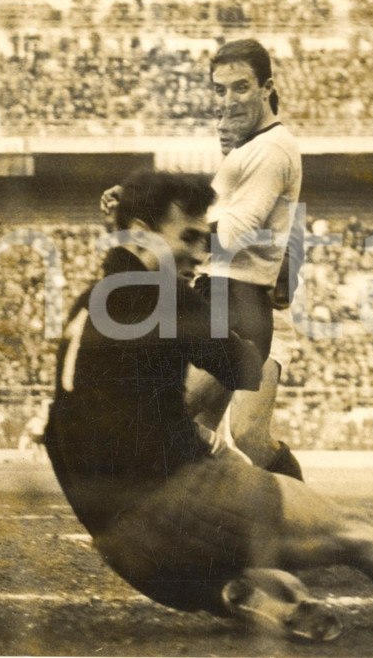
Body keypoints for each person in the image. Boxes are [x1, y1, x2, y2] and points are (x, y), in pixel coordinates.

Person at [46, 172, 373, 642]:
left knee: (279, 555)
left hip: (126, 552)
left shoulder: (84, 306)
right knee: (359, 536)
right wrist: (242, 290)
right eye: (189, 237)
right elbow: (245, 368)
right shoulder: (162, 293)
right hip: (182, 509)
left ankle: (239, 593)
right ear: (141, 233)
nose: (199, 253)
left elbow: (57, 436)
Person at [102, 38, 303, 480]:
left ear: (267, 88)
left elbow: (232, 231)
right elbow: (206, 211)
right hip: (227, 295)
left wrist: (165, 235)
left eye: (240, 88)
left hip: (243, 300)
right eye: (220, 92)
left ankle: (297, 516)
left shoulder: (270, 150)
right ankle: (225, 509)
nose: (227, 105)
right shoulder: (247, 153)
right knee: (231, 435)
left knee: (184, 414)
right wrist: (136, 197)